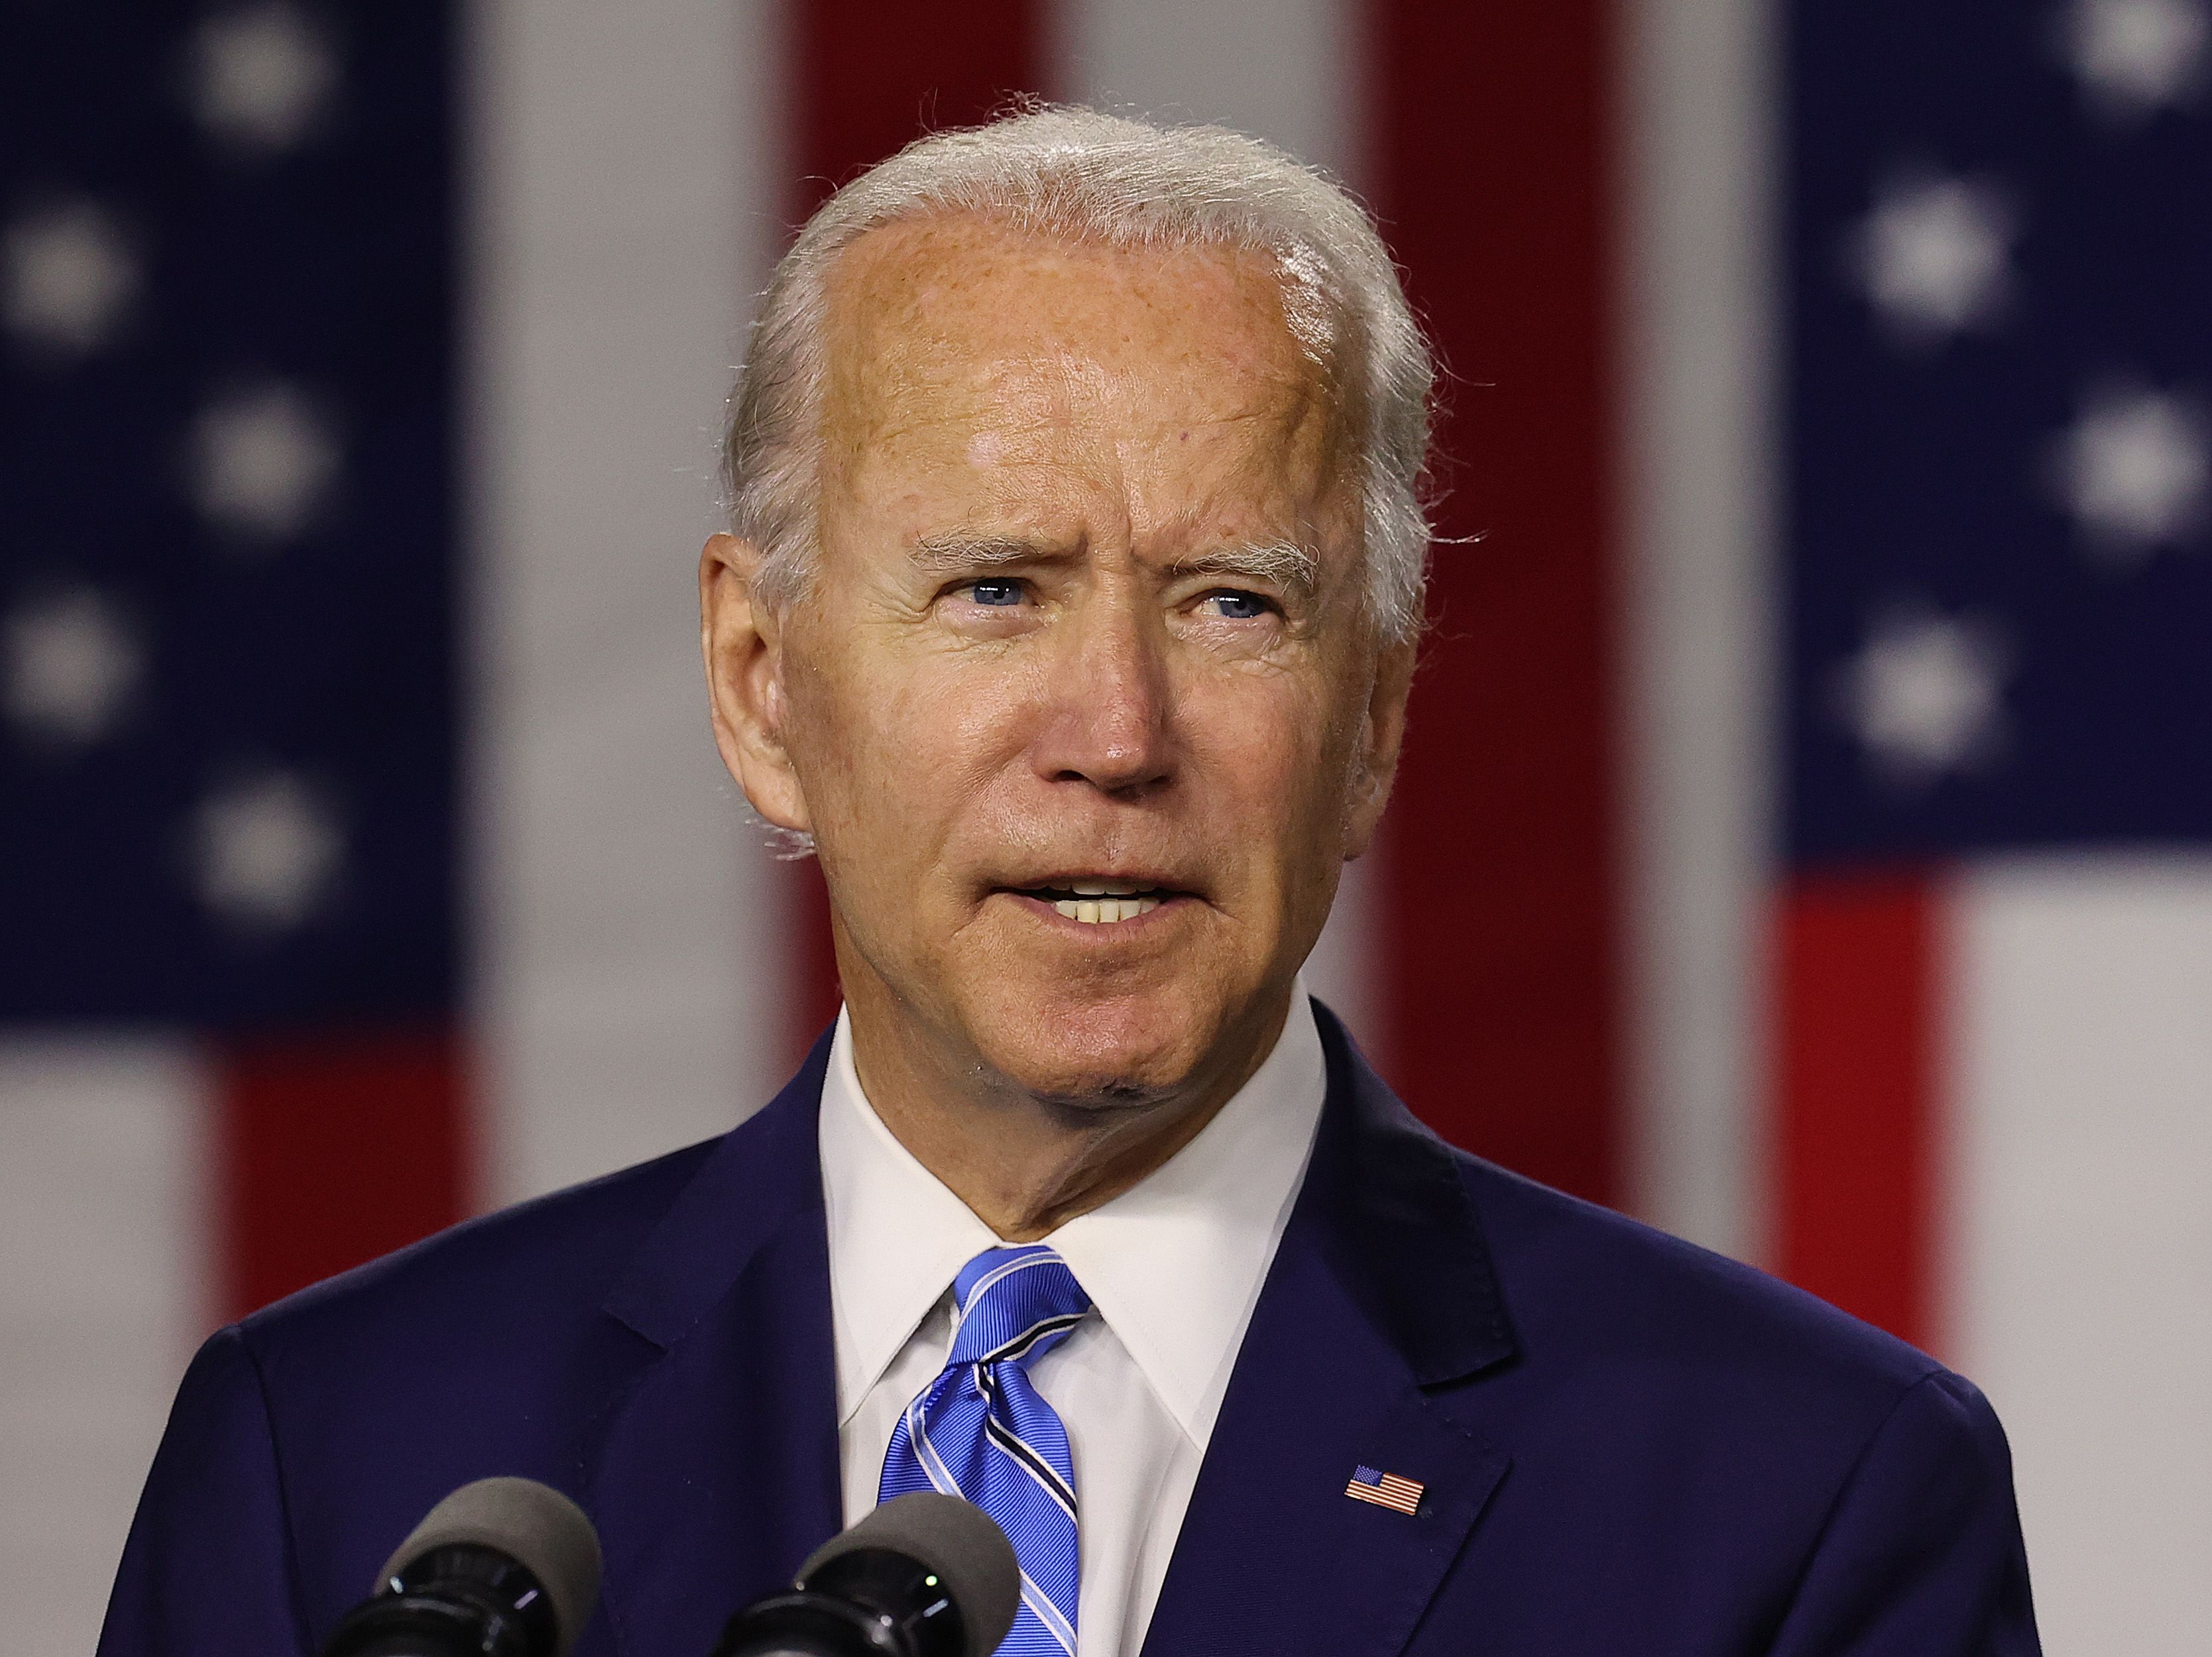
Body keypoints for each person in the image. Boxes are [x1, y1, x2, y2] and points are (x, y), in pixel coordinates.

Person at [100, 107, 2039, 1657]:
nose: (1114, 728)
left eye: (1231, 602)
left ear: (1371, 714)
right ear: (761, 684)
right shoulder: (337, 1461)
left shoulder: (1801, 1496)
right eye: (994, 589)